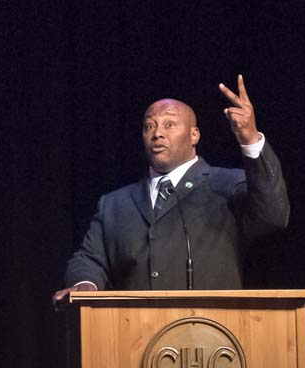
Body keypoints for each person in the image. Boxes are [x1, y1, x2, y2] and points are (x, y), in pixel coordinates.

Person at [53, 75, 289, 300]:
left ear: (194, 135)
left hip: (208, 333)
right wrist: (85, 283)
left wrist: (249, 140)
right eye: (149, 126)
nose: (157, 133)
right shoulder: (115, 204)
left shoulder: (226, 185)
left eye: (170, 124)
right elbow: (89, 259)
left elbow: (273, 216)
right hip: (134, 335)